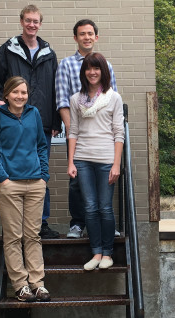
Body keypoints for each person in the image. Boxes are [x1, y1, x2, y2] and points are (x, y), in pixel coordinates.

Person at [0, 4, 61, 239]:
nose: (32, 25)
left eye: (36, 21)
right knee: (10, 172)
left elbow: (55, 89)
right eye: (28, 20)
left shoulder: (48, 53)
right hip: (13, 120)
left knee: (40, 173)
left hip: (42, 124)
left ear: (40, 24)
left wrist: (56, 121)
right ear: (21, 21)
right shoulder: (8, 49)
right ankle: (14, 222)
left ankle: (41, 223)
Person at [0, 76, 51, 302]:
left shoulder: (33, 114)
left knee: (33, 235)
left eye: (23, 92)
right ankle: (21, 286)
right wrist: (3, 177)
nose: (20, 96)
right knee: (14, 237)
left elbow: (42, 145)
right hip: (10, 185)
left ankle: (38, 284)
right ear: (6, 94)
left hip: (35, 184)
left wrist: (44, 175)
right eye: (15, 92)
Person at [55, 19, 119, 238]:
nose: (86, 37)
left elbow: (113, 99)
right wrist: (74, 131)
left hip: (103, 136)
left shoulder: (106, 65)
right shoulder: (65, 64)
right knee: (76, 183)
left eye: (90, 33)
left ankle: (106, 225)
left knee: (107, 180)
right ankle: (77, 224)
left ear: (96, 37)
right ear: (75, 38)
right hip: (78, 134)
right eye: (82, 34)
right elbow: (62, 101)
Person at [67, 53, 124, 270]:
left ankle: (108, 254)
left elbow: (119, 132)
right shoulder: (75, 99)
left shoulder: (113, 97)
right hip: (82, 159)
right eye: (88, 68)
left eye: (96, 68)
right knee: (90, 207)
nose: (92, 72)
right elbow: (73, 131)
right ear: (84, 72)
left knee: (105, 208)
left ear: (103, 71)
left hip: (106, 160)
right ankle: (96, 253)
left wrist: (116, 164)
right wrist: (71, 162)